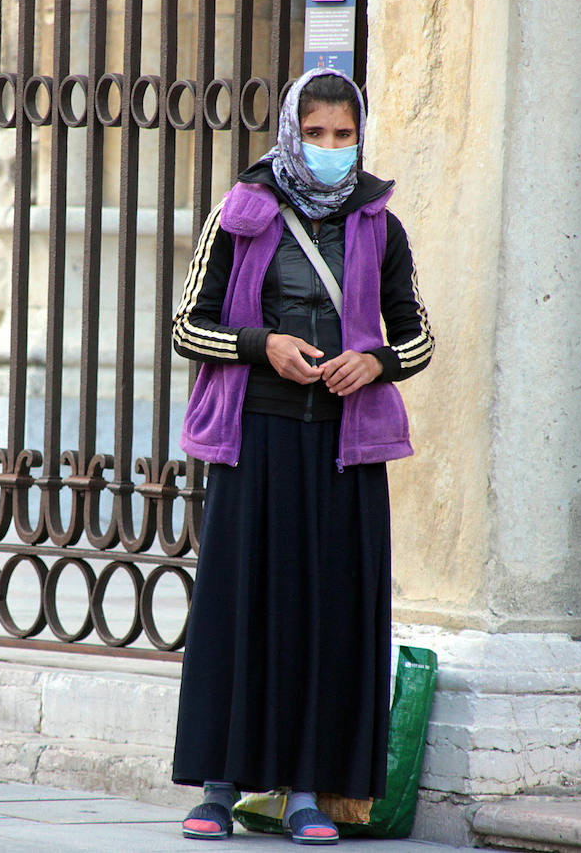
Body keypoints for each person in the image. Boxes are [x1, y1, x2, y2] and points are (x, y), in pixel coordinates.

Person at [170, 67, 434, 846]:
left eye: (342, 135)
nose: (327, 149)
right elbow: (189, 326)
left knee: (330, 616)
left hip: (344, 451)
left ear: (360, 138)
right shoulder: (241, 213)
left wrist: (376, 362)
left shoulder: (379, 225)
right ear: (290, 133)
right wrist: (263, 346)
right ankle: (219, 787)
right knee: (240, 605)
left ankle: (310, 793)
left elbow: (418, 333)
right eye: (314, 134)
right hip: (255, 438)